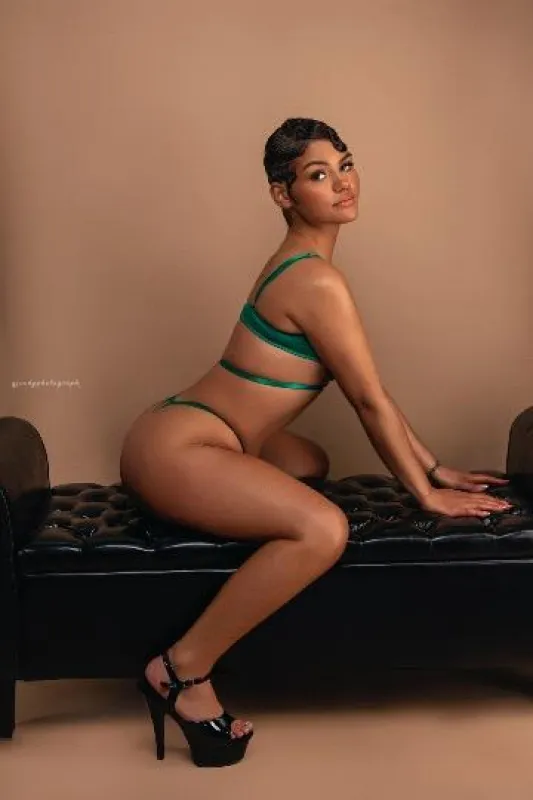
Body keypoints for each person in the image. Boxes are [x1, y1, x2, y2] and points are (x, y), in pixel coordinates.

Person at [119, 117, 512, 767]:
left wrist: (435, 467)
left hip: (203, 432)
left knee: (310, 461)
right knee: (323, 529)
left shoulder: (308, 267)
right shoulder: (315, 281)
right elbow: (367, 402)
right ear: (283, 194)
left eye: (345, 165)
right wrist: (426, 495)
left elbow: (371, 390)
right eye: (318, 175)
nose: (342, 183)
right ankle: (181, 670)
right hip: (177, 445)